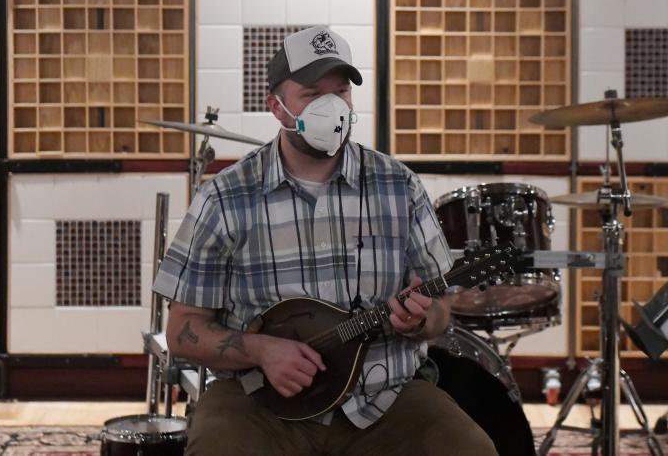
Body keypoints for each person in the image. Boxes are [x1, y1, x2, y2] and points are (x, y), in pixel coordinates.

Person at [153, 26, 497, 455]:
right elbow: (183, 328)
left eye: (341, 93)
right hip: (259, 403)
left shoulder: (398, 186)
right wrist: (260, 350)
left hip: (384, 397)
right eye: (313, 95)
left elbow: (442, 308)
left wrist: (423, 319)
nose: (331, 107)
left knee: (471, 448)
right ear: (276, 108)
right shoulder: (225, 197)